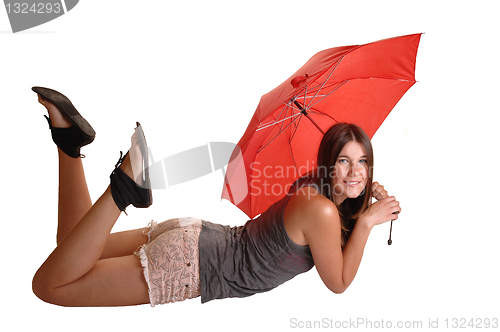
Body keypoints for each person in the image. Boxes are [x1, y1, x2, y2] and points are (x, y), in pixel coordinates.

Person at [32, 87, 401, 307]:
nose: (355, 172)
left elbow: (337, 228)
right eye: (344, 160)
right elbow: (337, 281)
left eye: (363, 162)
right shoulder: (321, 211)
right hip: (188, 264)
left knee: (71, 247)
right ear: (329, 164)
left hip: (192, 237)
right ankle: (125, 187)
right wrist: (368, 219)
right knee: (49, 286)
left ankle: (68, 141)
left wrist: (362, 203)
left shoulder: (314, 191)